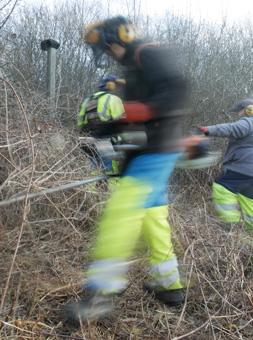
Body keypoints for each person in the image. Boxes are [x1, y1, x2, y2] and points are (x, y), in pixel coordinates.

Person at [64, 16, 188, 324]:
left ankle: (100, 295)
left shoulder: (147, 53)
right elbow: (138, 115)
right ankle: (169, 286)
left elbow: (176, 91)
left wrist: (132, 112)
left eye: (104, 48)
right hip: (148, 150)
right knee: (153, 217)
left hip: (156, 150)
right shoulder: (134, 69)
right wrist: (107, 127)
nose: (105, 53)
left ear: (117, 38)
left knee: (121, 213)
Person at [199, 99, 253, 232]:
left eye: (239, 111)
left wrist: (207, 130)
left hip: (242, 167)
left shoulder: (249, 121)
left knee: (222, 187)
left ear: (249, 110)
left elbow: (231, 128)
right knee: (249, 199)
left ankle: (233, 225)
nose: (238, 115)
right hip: (250, 173)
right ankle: (250, 231)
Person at [78, 76, 126, 185]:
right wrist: (123, 141)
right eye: (117, 85)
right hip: (105, 141)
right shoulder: (113, 99)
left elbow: (80, 123)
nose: (118, 88)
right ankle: (110, 198)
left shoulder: (88, 100)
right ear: (111, 85)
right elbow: (122, 123)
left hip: (86, 141)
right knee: (110, 171)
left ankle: (91, 198)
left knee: (92, 173)